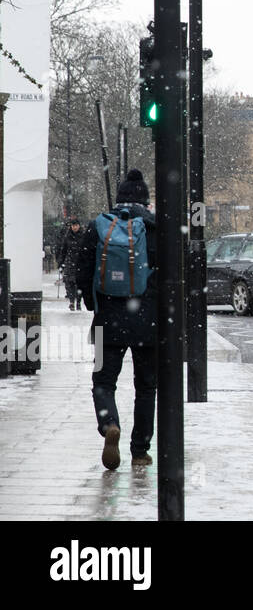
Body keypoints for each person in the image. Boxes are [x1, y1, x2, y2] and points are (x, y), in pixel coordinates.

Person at [76, 169, 157, 470]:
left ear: (119, 199)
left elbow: (82, 269)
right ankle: (140, 449)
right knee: (146, 387)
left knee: (102, 380)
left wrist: (91, 301)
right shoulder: (153, 228)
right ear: (145, 201)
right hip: (147, 321)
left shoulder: (98, 226)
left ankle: (110, 423)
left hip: (105, 321)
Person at [56, 219, 85, 310]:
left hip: (80, 263)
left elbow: (86, 249)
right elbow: (63, 250)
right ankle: (72, 301)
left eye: (76, 225)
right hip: (69, 262)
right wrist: (61, 263)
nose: (74, 227)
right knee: (69, 283)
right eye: (73, 226)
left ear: (79, 226)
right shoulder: (67, 236)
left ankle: (79, 302)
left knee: (79, 283)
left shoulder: (83, 236)